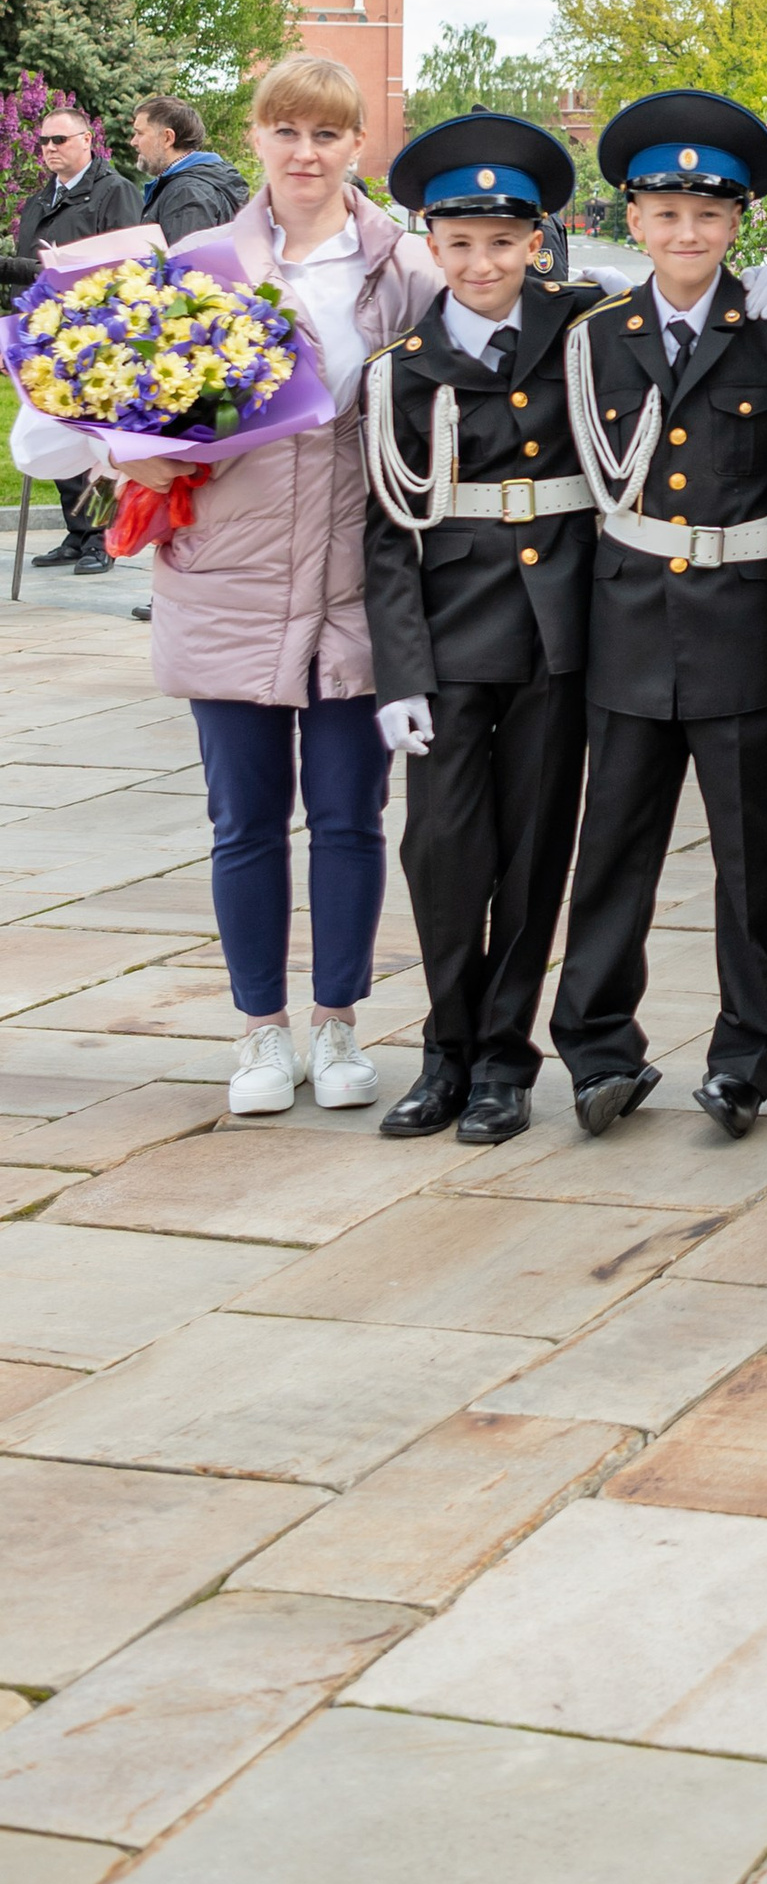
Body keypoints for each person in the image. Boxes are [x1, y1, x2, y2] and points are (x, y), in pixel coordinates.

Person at [24, 56, 441, 1115]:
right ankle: (260, 1031)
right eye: (286, 130)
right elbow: (53, 426)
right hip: (227, 579)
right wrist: (131, 456)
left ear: (358, 146)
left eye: (328, 134)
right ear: (255, 137)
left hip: (357, 583)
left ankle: (338, 1024)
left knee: (350, 816)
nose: (306, 153)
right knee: (243, 820)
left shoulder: (407, 269)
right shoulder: (194, 265)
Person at [549, 91, 767, 1140]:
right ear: (634, 220)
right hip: (627, 619)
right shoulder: (595, 337)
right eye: (665, 214)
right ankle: (598, 1049)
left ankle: (750, 1056)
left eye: (708, 214)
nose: (687, 232)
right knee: (613, 847)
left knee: (751, 858)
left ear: (737, 220)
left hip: (739, 620)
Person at [363, 112, 603, 1146]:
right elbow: (386, 531)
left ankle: (504, 1060)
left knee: (536, 850)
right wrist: (398, 674)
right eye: (459, 243)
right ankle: (444, 1048)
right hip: (453, 634)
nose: (481, 263)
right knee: (444, 849)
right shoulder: (401, 368)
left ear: (536, 242)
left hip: (559, 631)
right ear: (430, 244)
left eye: (503, 242)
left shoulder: (584, 329)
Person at [5, 104, 141, 574]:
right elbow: (30, 275)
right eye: (43, 141)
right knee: (57, 429)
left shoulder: (114, 192)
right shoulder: (41, 199)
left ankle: (104, 537)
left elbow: (125, 262)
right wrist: (16, 333)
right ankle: (77, 531)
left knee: (99, 443)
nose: (49, 149)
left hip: (97, 334)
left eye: (59, 140)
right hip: (46, 334)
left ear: (87, 140)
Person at [132, 100, 251, 244]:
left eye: (139, 133)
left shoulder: (187, 193)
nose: (133, 142)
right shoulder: (195, 182)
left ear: (167, 138)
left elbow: (186, 257)